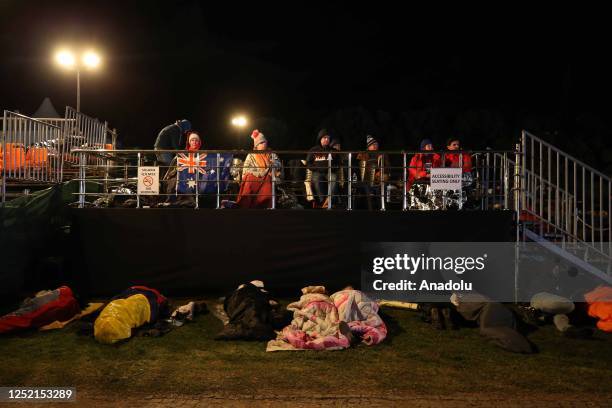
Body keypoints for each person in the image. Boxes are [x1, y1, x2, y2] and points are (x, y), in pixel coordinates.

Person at [235, 130, 281, 209]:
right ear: (257, 145)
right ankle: (246, 204)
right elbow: (246, 169)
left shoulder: (272, 154)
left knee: (267, 179)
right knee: (249, 178)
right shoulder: (251, 155)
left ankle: (266, 204)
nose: (264, 144)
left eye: (265, 142)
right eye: (261, 143)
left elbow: (278, 165)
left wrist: (272, 164)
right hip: (255, 177)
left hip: (267, 177)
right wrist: (259, 173)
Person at [306, 129, 338, 208]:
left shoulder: (333, 151)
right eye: (324, 138)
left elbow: (338, 163)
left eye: (328, 138)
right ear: (320, 138)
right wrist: (316, 168)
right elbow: (308, 163)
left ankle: (328, 200)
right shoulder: (313, 150)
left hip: (329, 172)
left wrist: (333, 167)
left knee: (334, 177)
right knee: (317, 179)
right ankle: (323, 201)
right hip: (317, 172)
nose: (327, 140)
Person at [357, 135, 389, 210]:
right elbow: (361, 168)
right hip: (368, 177)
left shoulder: (382, 154)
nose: (375, 146)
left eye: (376, 144)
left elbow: (388, 166)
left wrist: (381, 171)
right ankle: (370, 209)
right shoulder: (363, 154)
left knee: (381, 186)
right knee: (368, 184)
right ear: (368, 146)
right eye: (372, 145)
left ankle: (382, 207)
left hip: (379, 177)